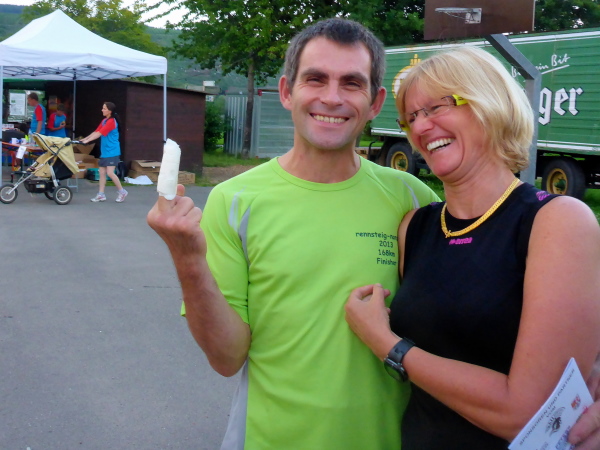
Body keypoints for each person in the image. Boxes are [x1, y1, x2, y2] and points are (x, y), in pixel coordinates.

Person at [147, 18, 440, 449]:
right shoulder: (235, 201)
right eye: (315, 79)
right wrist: (187, 258)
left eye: (352, 83)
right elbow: (226, 358)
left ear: (375, 102)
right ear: (287, 91)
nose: (332, 97)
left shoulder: (412, 199)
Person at [344, 46, 600, 449]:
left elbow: (528, 413)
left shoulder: (556, 221)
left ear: (488, 103)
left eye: (437, 107)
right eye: (411, 117)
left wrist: (388, 345)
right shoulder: (414, 228)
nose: (421, 126)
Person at [80, 102, 128, 203]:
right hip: (105, 151)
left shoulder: (111, 122)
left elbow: (100, 134)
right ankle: (101, 194)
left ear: (110, 111)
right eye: (103, 108)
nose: (102, 110)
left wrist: (87, 141)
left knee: (110, 173)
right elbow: (96, 131)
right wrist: (85, 139)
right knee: (101, 172)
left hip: (112, 151)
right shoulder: (104, 120)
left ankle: (122, 191)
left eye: (104, 108)